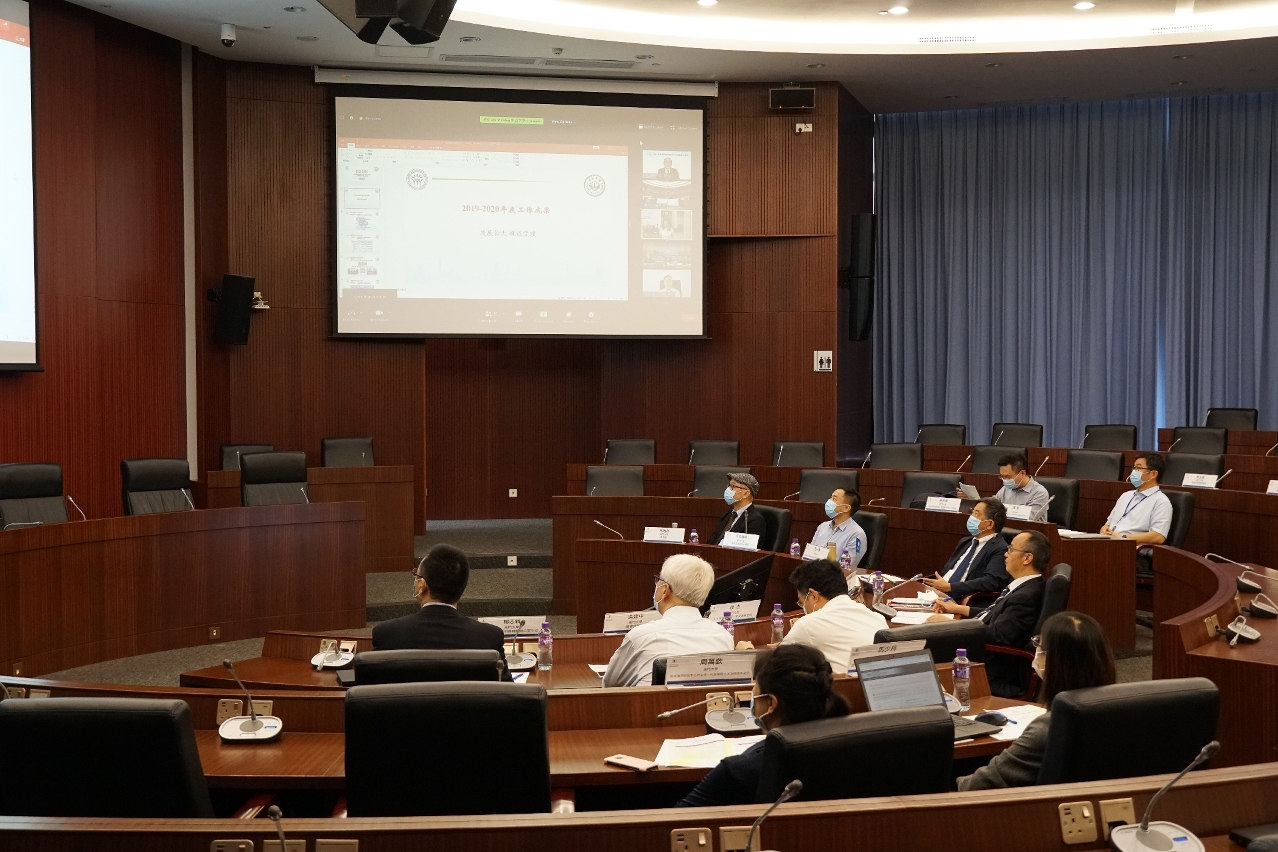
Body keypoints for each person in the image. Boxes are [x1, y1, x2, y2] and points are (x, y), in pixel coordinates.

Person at [958, 611, 1116, 790]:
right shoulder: (1124, 712)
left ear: (1053, 661)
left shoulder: (1048, 728)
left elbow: (978, 784)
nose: (1036, 652)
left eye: (1039, 645)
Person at [676, 644, 850, 806]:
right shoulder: (849, 749)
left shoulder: (737, 771)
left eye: (756, 692)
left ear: (771, 704)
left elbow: (679, 820)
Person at [929, 529, 1050, 697]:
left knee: (925, 645)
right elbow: (995, 614)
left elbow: (998, 635)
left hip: (990, 668)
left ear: (1027, 558)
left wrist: (951, 625)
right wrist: (959, 609)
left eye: (1010, 549)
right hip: (984, 655)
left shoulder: (1025, 596)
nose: (1005, 554)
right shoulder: (1027, 586)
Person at [372, 544, 512, 681]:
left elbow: (370, 691)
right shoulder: (489, 638)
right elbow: (506, 692)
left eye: (416, 575)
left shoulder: (387, 635)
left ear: (422, 585)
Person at [602, 554, 733, 687]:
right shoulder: (724, 636)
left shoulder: (640, 637)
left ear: (665, 590)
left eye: (658, 580)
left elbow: (610, 686)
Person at [781, 560, 887, 672]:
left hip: (842, 683)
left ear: (813, 595)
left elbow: (776, 663)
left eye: (802, 602)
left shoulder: (808, 624)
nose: (803, 607)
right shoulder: (878, 618)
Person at [921, 499, 1010, 600]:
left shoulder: (1000, 549)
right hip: (939, 593)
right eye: (972, 512)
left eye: (976, 514)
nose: (971, 517)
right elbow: (949, 570)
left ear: (990, 524)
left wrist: (951, 587)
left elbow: (991, 582)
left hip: (962, 599)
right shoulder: (966, 541)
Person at [1100, 452, 1173, 543]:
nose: (1133, 472)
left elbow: (1158, 536)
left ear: (1153, 474)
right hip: (1110, 543)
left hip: (1131, 547)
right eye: (1134, 468)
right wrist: (1105, 529)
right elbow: (1107, 524)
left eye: (1138, 468)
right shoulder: (1126, 496)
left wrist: (1123, 537)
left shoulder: (1161, 502)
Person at [806, 487, 867, 573]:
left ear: (846, 508)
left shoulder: (857, 535)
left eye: (834, 499)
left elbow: (847, 567)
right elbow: (809, 556)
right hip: (811, 574)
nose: (829, 501)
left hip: (833, 578)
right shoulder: (822, 527)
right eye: (830, 497)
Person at [709, 473, 768, 546]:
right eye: (729, 485)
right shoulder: (726, 516)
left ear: (746, 493)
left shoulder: (755, 520)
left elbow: (748, 550)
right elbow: (712, 542)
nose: (728, 489)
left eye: (732, 486)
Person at [993, 453, 1050, 522]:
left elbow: (1029, 518)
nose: (1004, 480)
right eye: (1002, 476)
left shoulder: (1040, 493)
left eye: (1007, 477)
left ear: (1022, 473)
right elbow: (992, 507)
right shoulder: (1005, 489)